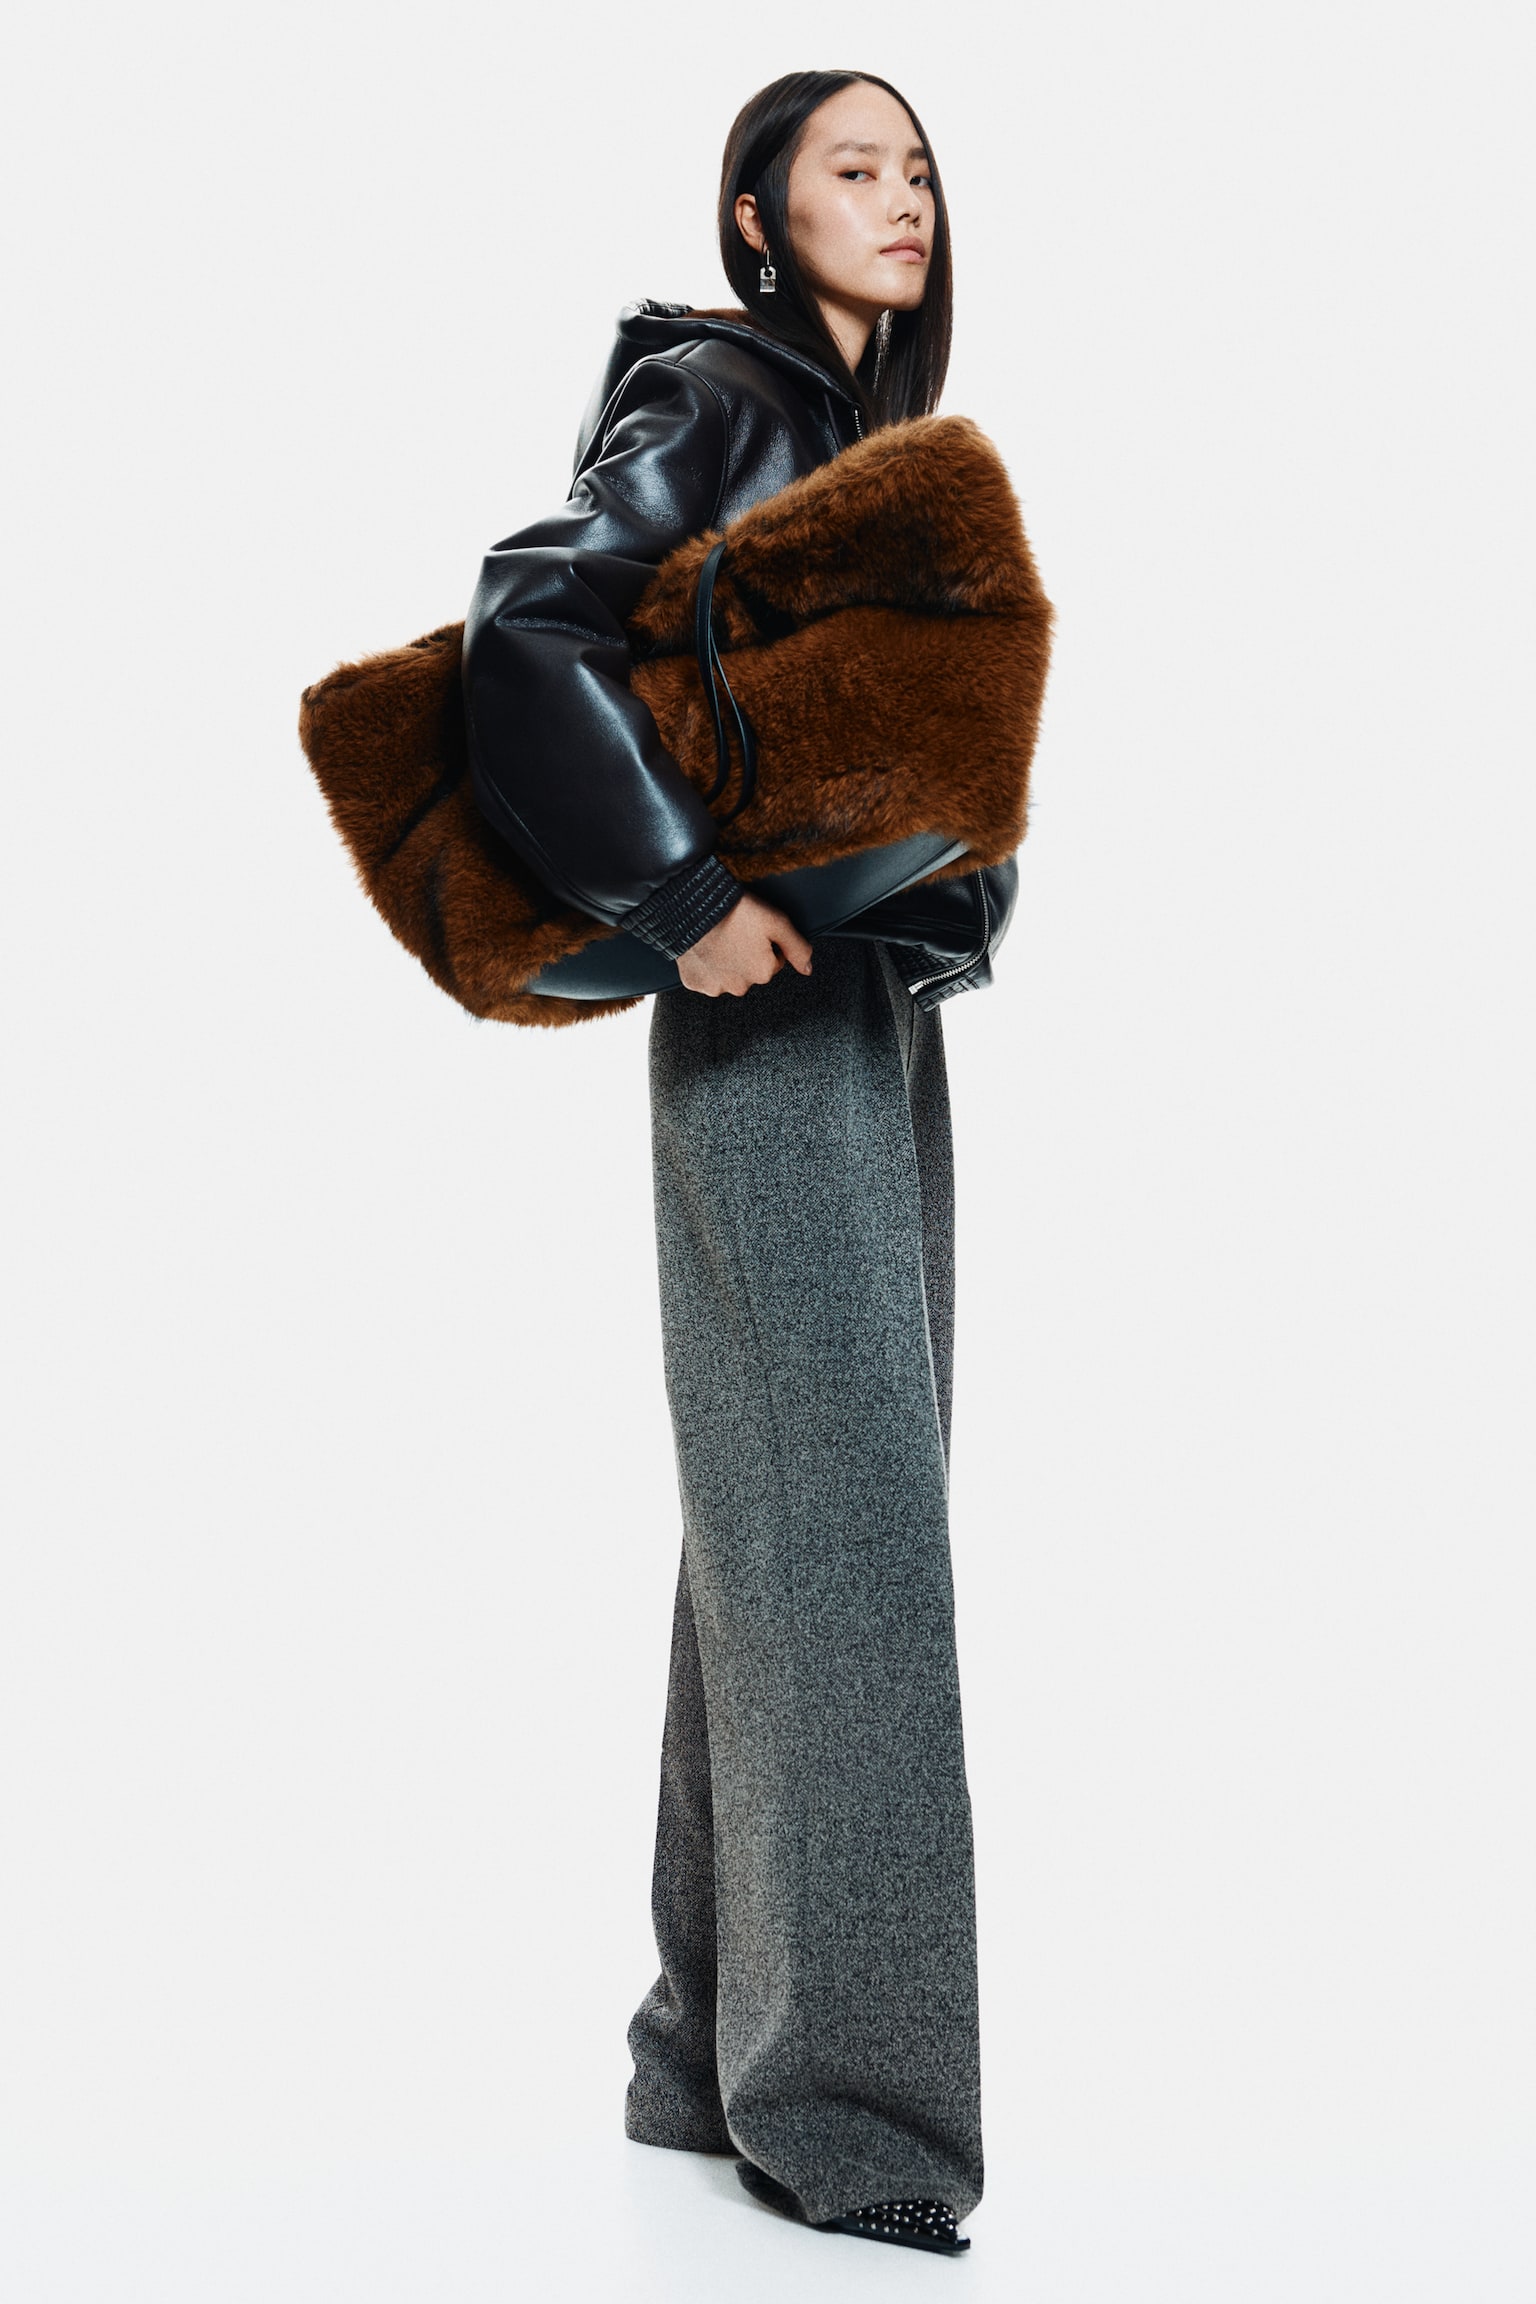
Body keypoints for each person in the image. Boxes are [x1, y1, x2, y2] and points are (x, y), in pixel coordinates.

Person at [461, 69, 1015, 2259]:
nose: (902, 197)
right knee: (845, 1533)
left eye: (920, 169)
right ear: (758, 218)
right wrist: (683, 895)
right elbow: (530, 623)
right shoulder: (720, 393)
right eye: (852, 169)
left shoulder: (868, 438)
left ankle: (700, 2054)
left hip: (858, 1010)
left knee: (792, 1516)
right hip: (762, 1014)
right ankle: (855, 2116)